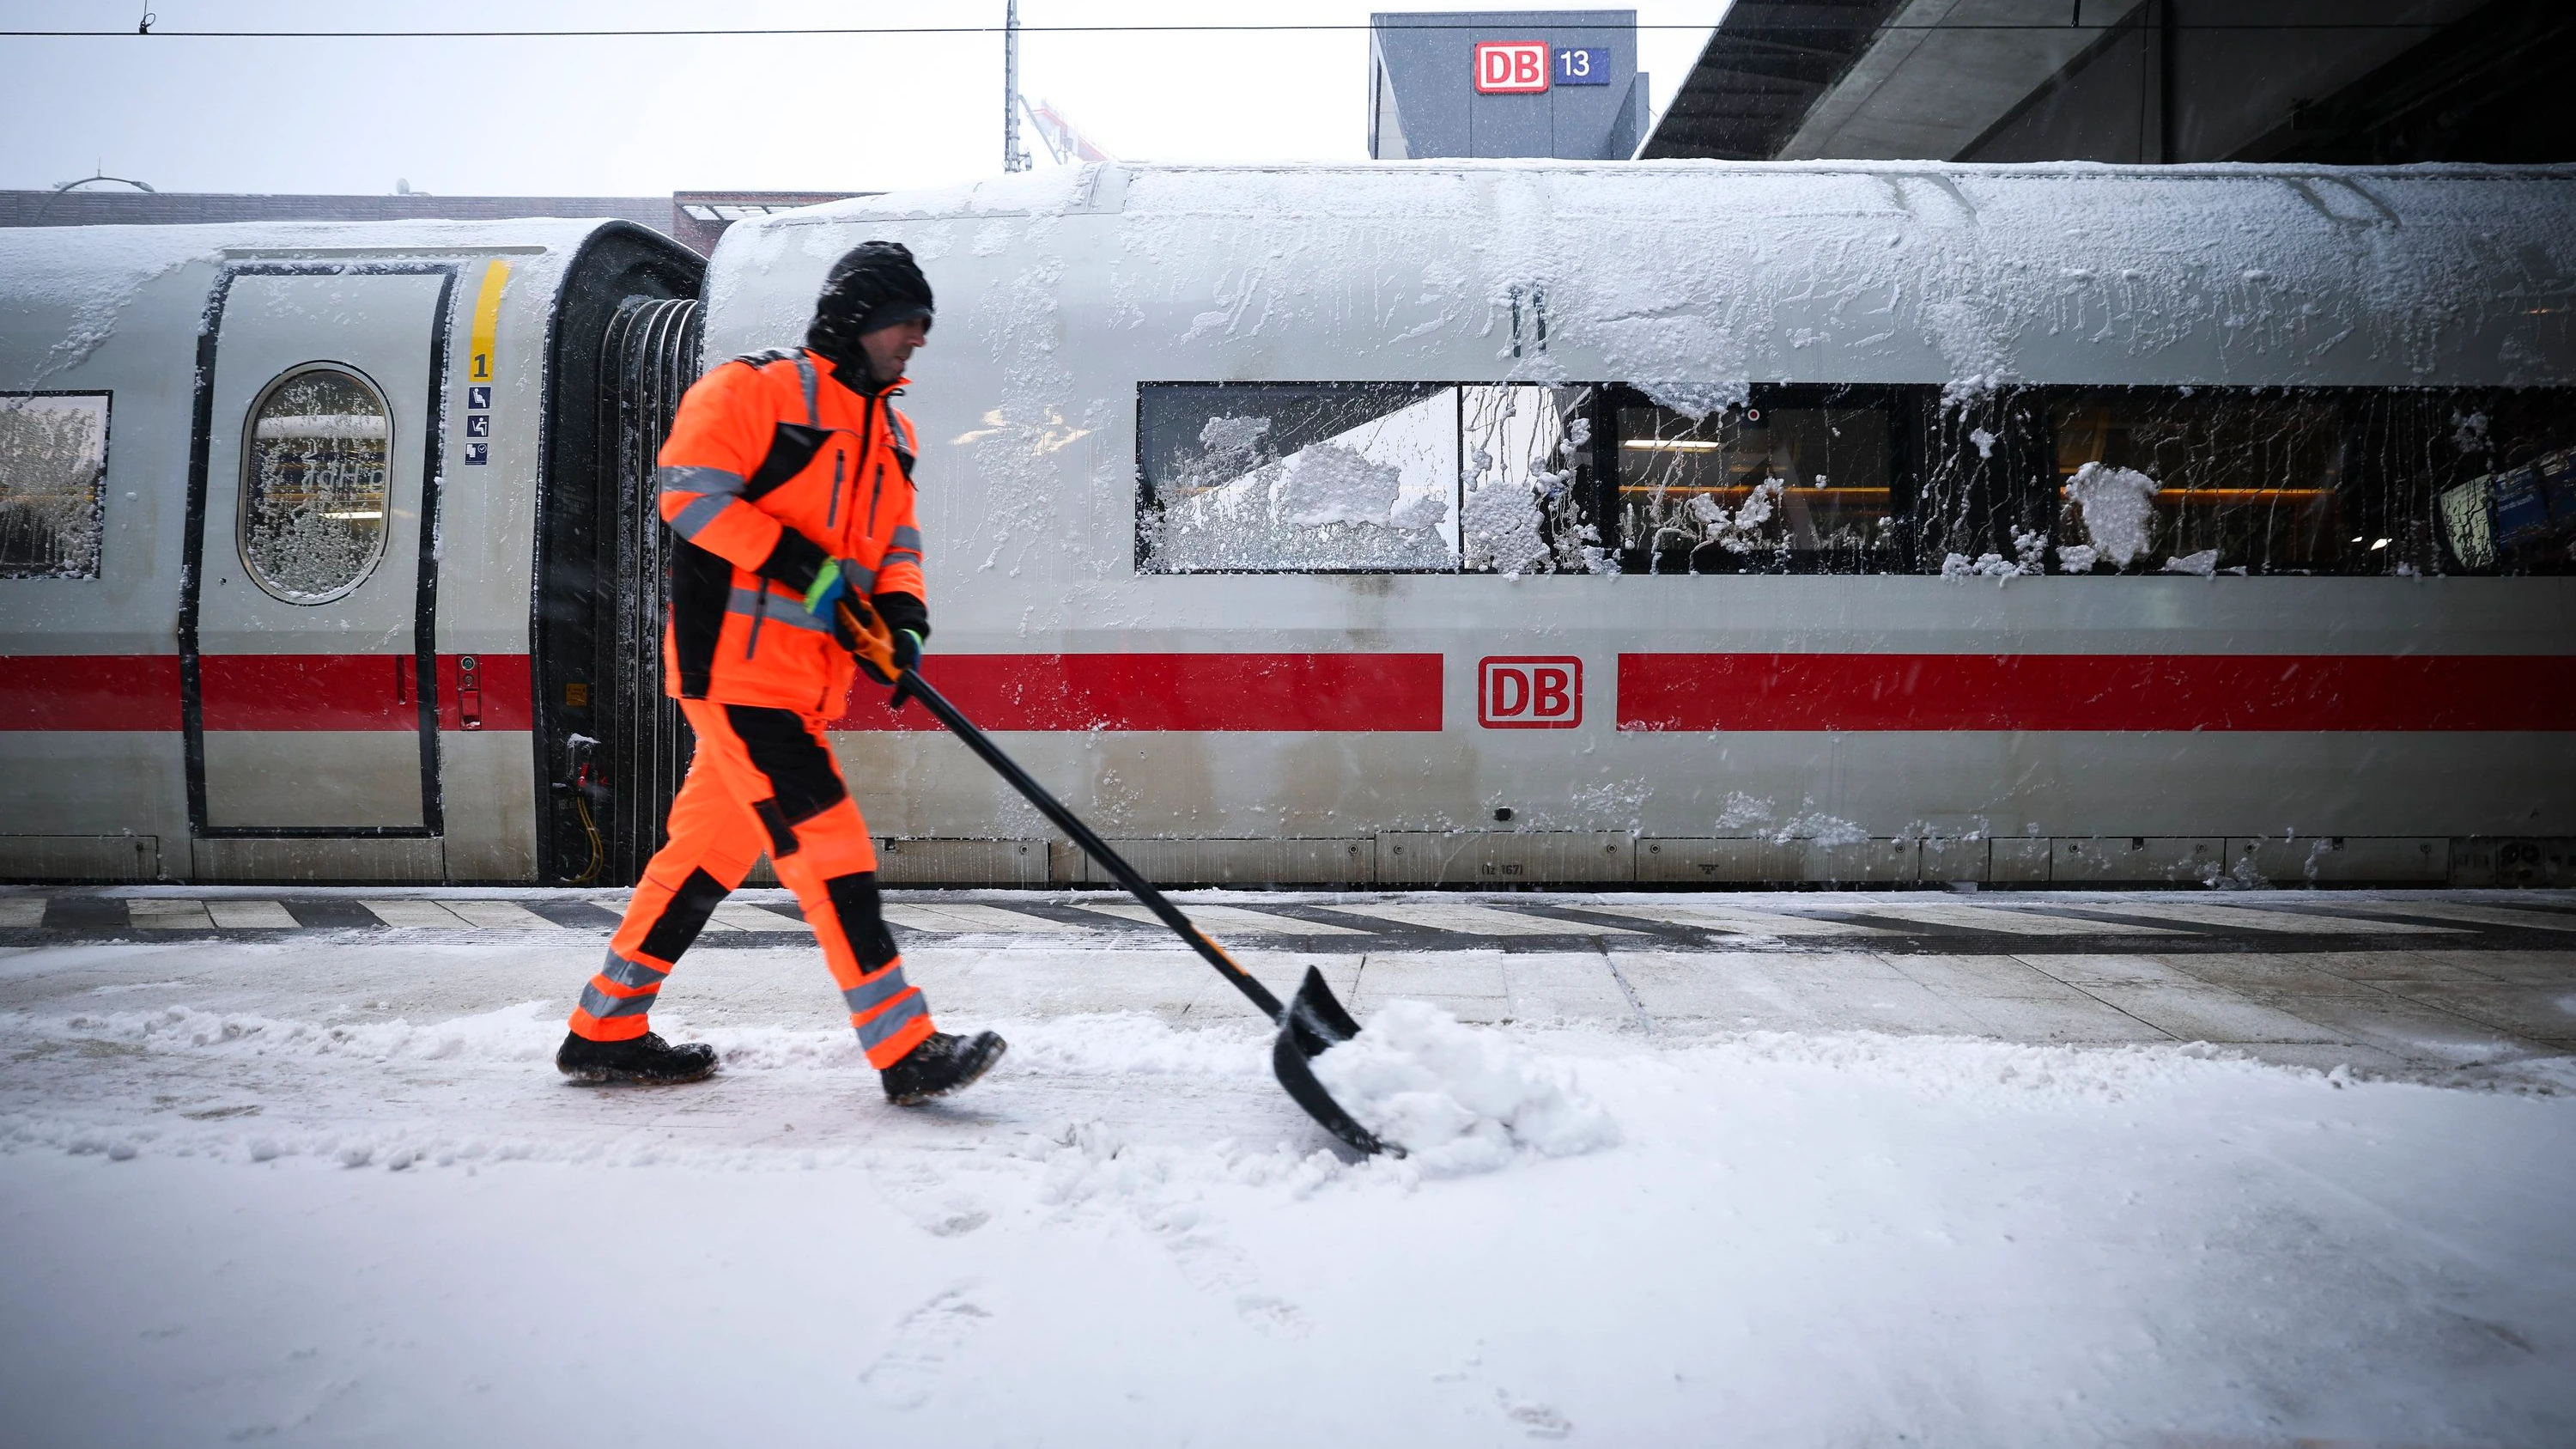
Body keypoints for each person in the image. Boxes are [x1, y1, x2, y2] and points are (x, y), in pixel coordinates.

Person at [556, 240, 1005, 1105]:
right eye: (904, 324)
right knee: (829, 840)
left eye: (923, 327)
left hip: (803, 681)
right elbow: (689, 494)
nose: (916, 340)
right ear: (856, 321)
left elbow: (895, 545)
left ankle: (604, 1027)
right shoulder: (755, 391)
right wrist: (806, 567)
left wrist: (903, 618)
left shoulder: (891, 429)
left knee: (704, 856)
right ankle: (903, 1045)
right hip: (733, 669)